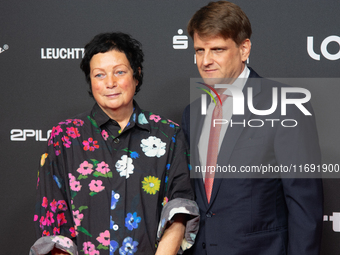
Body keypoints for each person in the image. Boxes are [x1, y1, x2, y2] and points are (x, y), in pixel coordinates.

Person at [30, 32, 199, 255]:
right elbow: (54, 225)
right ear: (90, 81)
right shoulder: (65, 137)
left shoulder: (168, 134)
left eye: (119, 72)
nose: (110, 83)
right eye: (99, 75)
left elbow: (178, 212)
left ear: (136, 75)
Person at [181, 1, 323, 255]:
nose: (205, 60)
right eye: (199, 50)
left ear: (244, 49)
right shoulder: (193, 112)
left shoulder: (285, 105)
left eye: (217, 49)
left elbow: (304, 204)